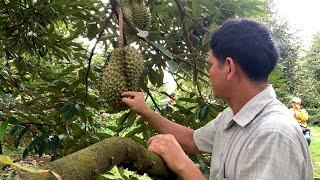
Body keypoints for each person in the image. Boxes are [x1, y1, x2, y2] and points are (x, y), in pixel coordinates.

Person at [121, 19, 313, 180]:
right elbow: (192, 140)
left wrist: (183, 165)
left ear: (229, 67)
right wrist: (146, 111)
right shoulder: (231, 117)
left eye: (210, 64)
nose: (208, 72)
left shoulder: (273, 135)